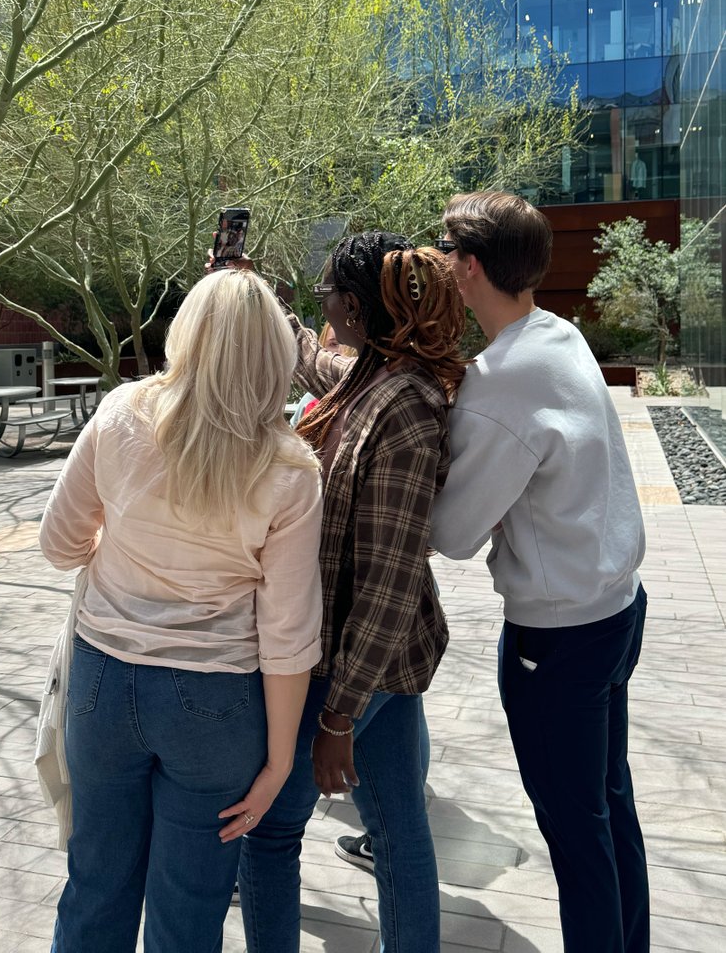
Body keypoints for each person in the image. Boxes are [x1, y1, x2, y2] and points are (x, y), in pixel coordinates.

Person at [40, 269, 324, 953]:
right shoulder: (290, 469)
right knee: (189, 915)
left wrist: (122, 543)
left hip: (103, 685)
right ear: (277, 355)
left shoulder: (119, 415)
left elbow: (59, 544)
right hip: (216, 705)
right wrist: (280, 764)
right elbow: (287, 636)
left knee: (94, 891)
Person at [233, 232, 468, 953]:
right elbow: (313, 358)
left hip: (356, 670)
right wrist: (259, 292)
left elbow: (393, 578)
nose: (321, 303)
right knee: (399, 831)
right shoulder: (371, 371)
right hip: (375, 666)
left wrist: (338, 715)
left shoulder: (405, 407)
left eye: (329, 291)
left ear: (358, 308)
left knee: (270, 832)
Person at [428, 191, 649, 953]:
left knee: (575, 832)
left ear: (470, 268)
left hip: (558, 639)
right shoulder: (557, 334)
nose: (440, 264)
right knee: (607, 807)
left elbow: (452, 532)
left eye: (447, 251)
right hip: (618, 608)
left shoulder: (501, 383)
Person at [289, 322, 356, 427]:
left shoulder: (366, 392)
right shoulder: (309, 401)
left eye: (349, 345)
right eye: (333, 344)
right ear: (321, 347)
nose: (341, 352)